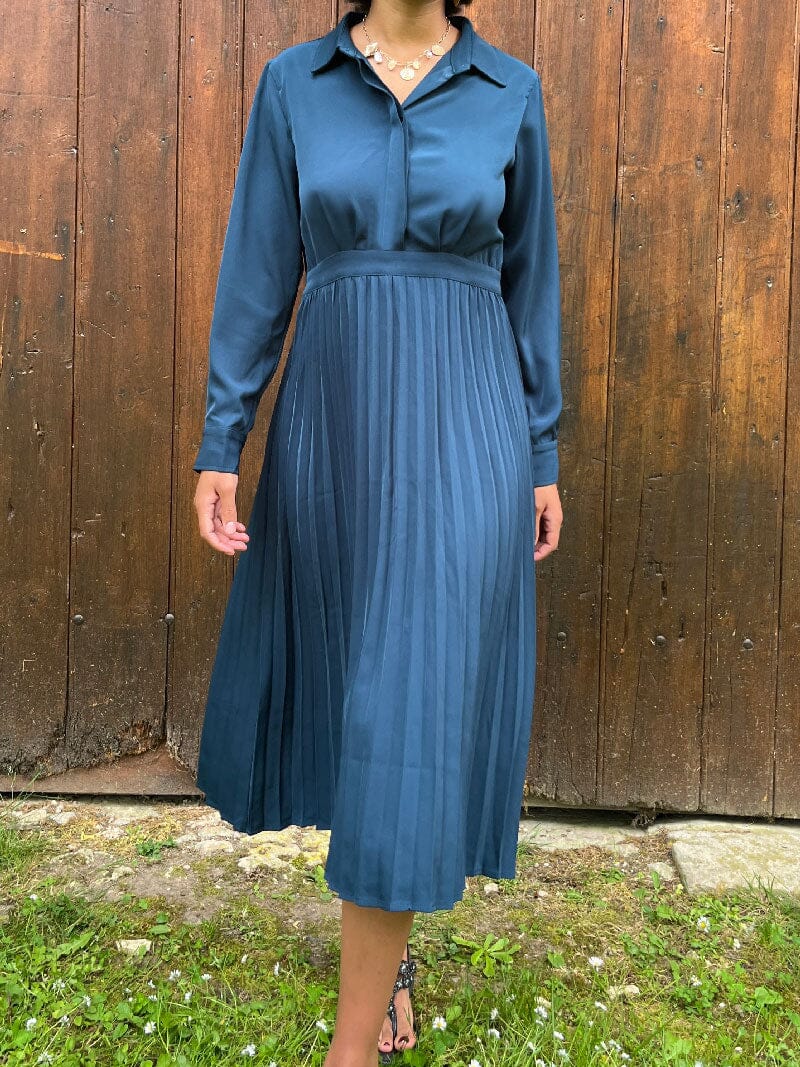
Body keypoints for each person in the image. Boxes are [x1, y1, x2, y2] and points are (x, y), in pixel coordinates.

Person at [192, 0, 564, 1062]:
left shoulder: (511, 92)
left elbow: (530, 285)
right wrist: (223, 438)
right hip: (339, 426)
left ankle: (348, 1051)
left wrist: (540, 453)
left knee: (408, 700)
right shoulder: (293, 85)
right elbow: (259, 270)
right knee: (364, 695)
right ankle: (388, 958)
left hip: (468, 428)